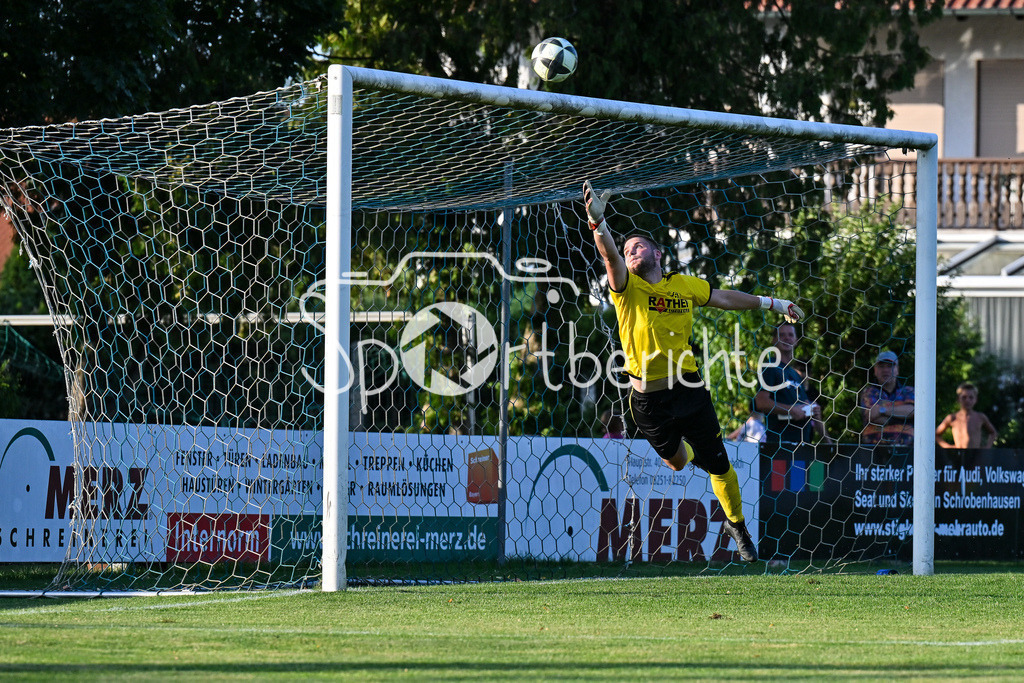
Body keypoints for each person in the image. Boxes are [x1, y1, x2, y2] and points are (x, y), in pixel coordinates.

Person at [584, 180, 805, 562]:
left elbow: (722, 297)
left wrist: (773, 302)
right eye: (626, 249)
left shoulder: (683, 285)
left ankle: (739, 529)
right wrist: (597, 223)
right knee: (678, 462)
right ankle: (696, 455)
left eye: (637, 246)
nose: (629, 252)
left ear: (657, 252)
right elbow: (609, 258)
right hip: (647, 400)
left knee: (720, 465)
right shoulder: (626, 288)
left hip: (688, 387)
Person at [754, 323, 832, 445]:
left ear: (796, 341)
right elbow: (761, 402)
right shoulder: (770, 367)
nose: (787, 338)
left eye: (791, 335)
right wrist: (791, 410)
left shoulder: (795, 374)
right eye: (782, 335)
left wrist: (812, 410)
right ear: (774, 340)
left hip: (802, 447)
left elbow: (803, 405)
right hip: (781, 446)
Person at [860, 350, 914, 446]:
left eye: (890, 366)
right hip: (875, 450)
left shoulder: (909, 391)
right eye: (881, 366)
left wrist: (882, 410)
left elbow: (912, 411)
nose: (885, 370)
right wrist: (904, 419)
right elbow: (871, 415)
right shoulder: (868, 392)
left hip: (907, 450)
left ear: (897, 370)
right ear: (875, 370)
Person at [935, 381, 998, 449]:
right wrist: (948, 447)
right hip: (959, 456)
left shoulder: (980, 417)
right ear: (958, 399)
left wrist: (987, 448)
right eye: (964, 397)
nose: (967, 400)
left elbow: (993, 433)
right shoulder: (952, 418)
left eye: (971, 397)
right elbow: (936, 435)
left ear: (976, 399)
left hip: (976, 455)